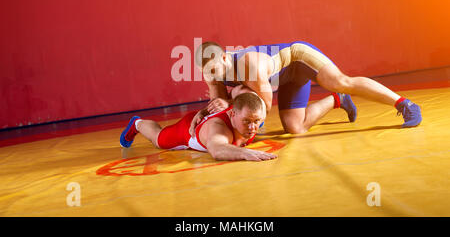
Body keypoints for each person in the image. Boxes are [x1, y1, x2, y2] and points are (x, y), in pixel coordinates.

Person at [193, 40, 422, 134]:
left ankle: (405, 105)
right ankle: (337, 100)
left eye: (214, 70)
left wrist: (246, 128)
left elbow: (264, 107)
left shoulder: (247, 65)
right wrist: (206, 115)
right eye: (208, 74)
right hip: (283, 77)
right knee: (295, 128)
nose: (213, 76)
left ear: (224, 57)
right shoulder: (211, 73)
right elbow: (220, 110)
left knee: (342, 81)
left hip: (298, 58)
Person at [119, 92, 277, 162]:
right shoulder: (219, 128)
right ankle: (137, 124)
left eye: (256, 121)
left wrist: (226, 103)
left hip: (212, 114)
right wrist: (244, 152)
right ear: (233, 114)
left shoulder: (252, 108)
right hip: (187, 131)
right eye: (247, 121)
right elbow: (217, 150)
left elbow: (250, 98)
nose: (252, 127)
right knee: (158, 139)